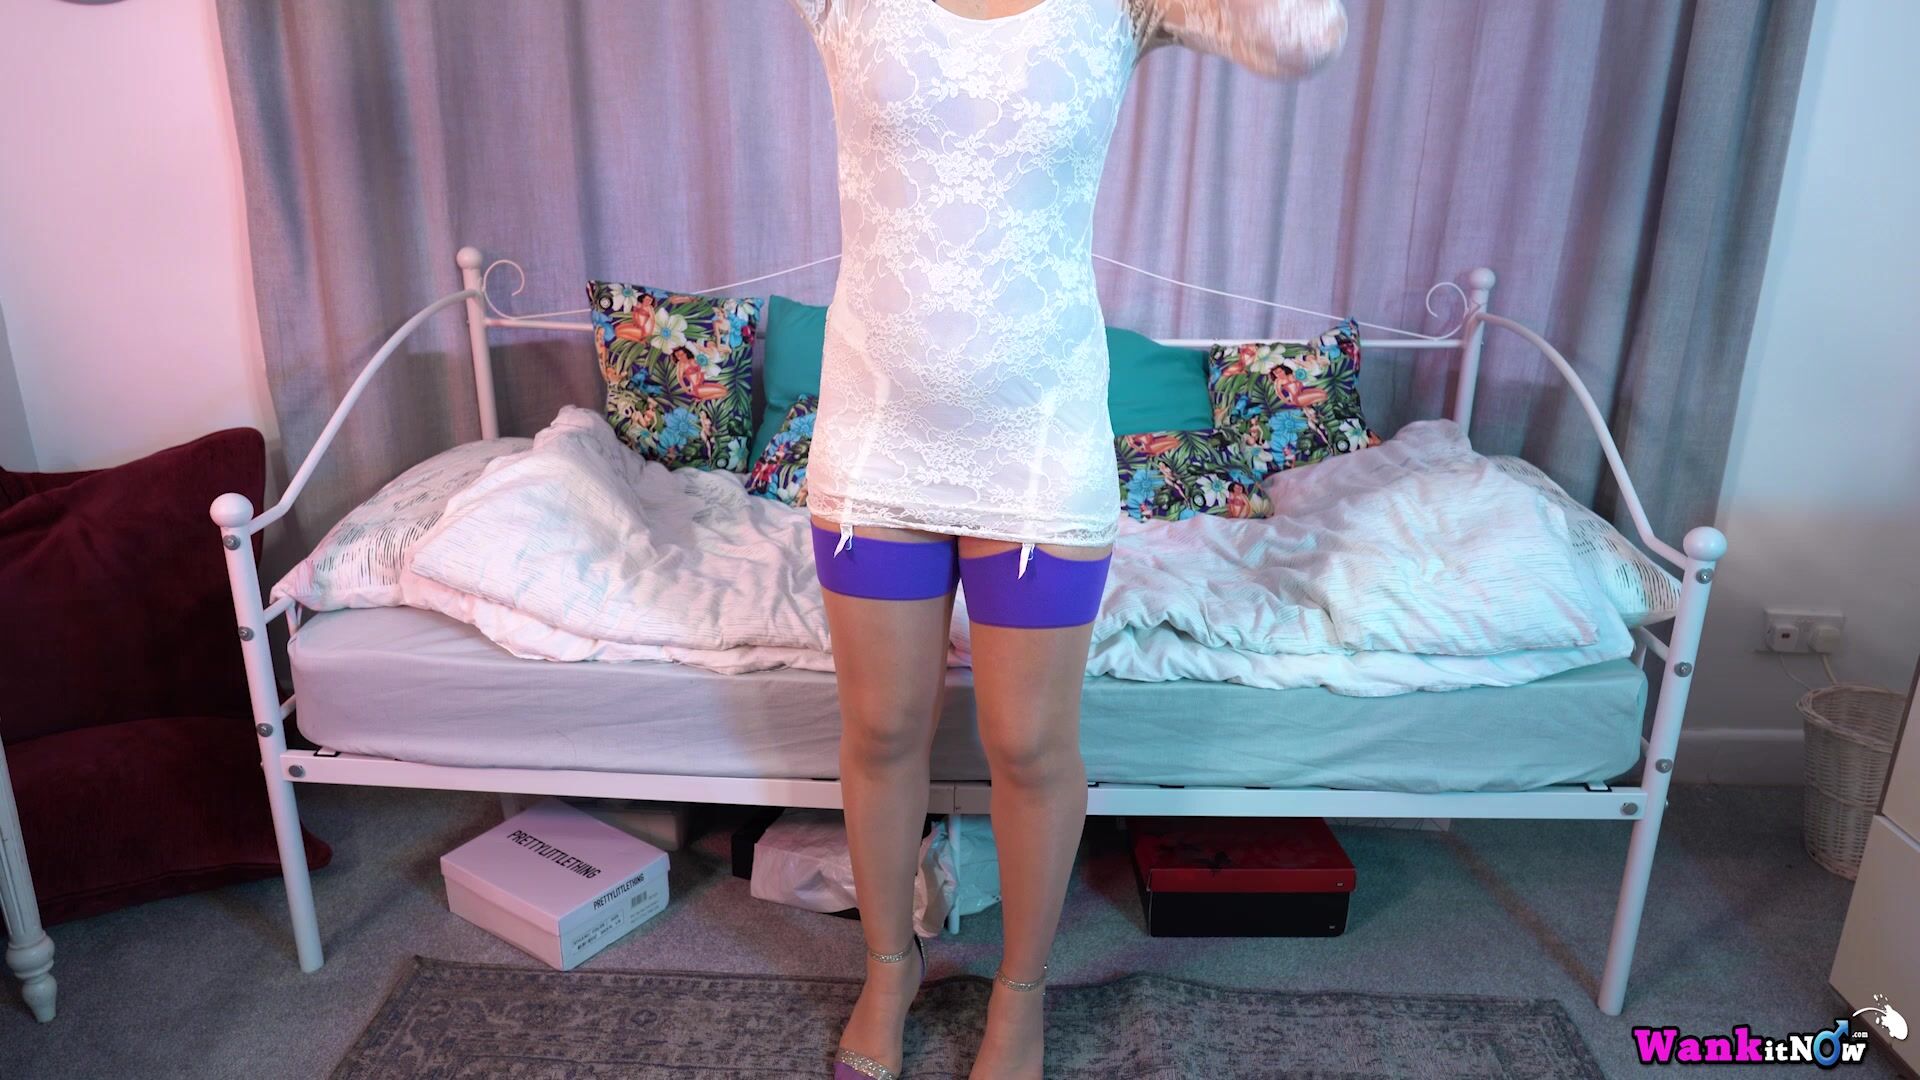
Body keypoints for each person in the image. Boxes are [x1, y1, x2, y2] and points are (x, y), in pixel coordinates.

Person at [782, 1, 1348, 1076]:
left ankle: (1021, 994)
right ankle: (889, 965)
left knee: (1030, 744)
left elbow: (1303, 34)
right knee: (882, 729)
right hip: (877, 437)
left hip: (1039, 444)